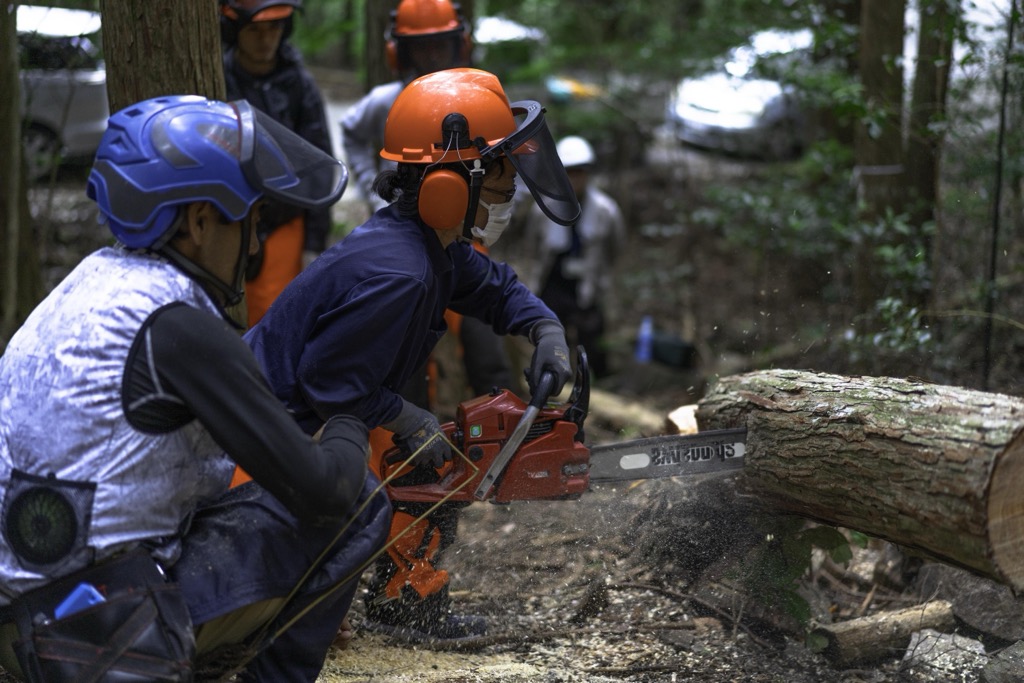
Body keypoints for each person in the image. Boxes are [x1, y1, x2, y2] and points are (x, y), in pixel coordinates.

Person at [0, 95, 390, 682]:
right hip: (90, 633)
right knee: (358, 499)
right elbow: (318, 490)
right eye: (251, 221)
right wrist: (348, 426)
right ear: (201, 221)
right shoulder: (179, 323)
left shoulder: (86, 286)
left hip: (19, 612)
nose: (256, 244)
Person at [246, 67, 581, 642]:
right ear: (453, 183)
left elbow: (494, 288)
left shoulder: (428, 243)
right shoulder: (399, 272)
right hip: (261, 449)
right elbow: (327, 380)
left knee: (427, 464)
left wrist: (545, 328)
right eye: (500, 175)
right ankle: (324, 601)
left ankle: (404, 600)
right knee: (421, 458)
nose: (510, 193)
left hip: (308, 424)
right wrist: (410, 418)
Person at [341, 0, 514, 403]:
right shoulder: (390, 100)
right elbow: (350, 130)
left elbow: (505, 157)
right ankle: (414, 444)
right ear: (400, 52)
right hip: (409, 239)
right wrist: (372, 189)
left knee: (484, 340)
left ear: (459, 45)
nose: (432, 56)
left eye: (440, 45)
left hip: (466, 232)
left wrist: (497, 206)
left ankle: (502, 422)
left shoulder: (477, 97)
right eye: (422, 48)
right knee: (408, 345)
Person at [220, 0, 335, 326]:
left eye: (273, 28)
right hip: (228, 221)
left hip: (285, 222)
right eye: (254, 30)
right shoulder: (219, 80)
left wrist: (314, 244)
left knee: (283, 324)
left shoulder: (299, 84)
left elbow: (320, 166)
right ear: (234, 30)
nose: (265, 38)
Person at [523, 135, 626, 378]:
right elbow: (532, 246)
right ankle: (549, 379)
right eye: (568, 171)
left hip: (587, 282)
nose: (574, 178)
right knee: (550, 333)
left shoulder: (605, 210)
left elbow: (616, 247)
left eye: (579, 172)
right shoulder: (543, 207)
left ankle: (597, 382)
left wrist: (601, 275)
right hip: (553, 280)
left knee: (591, 337)